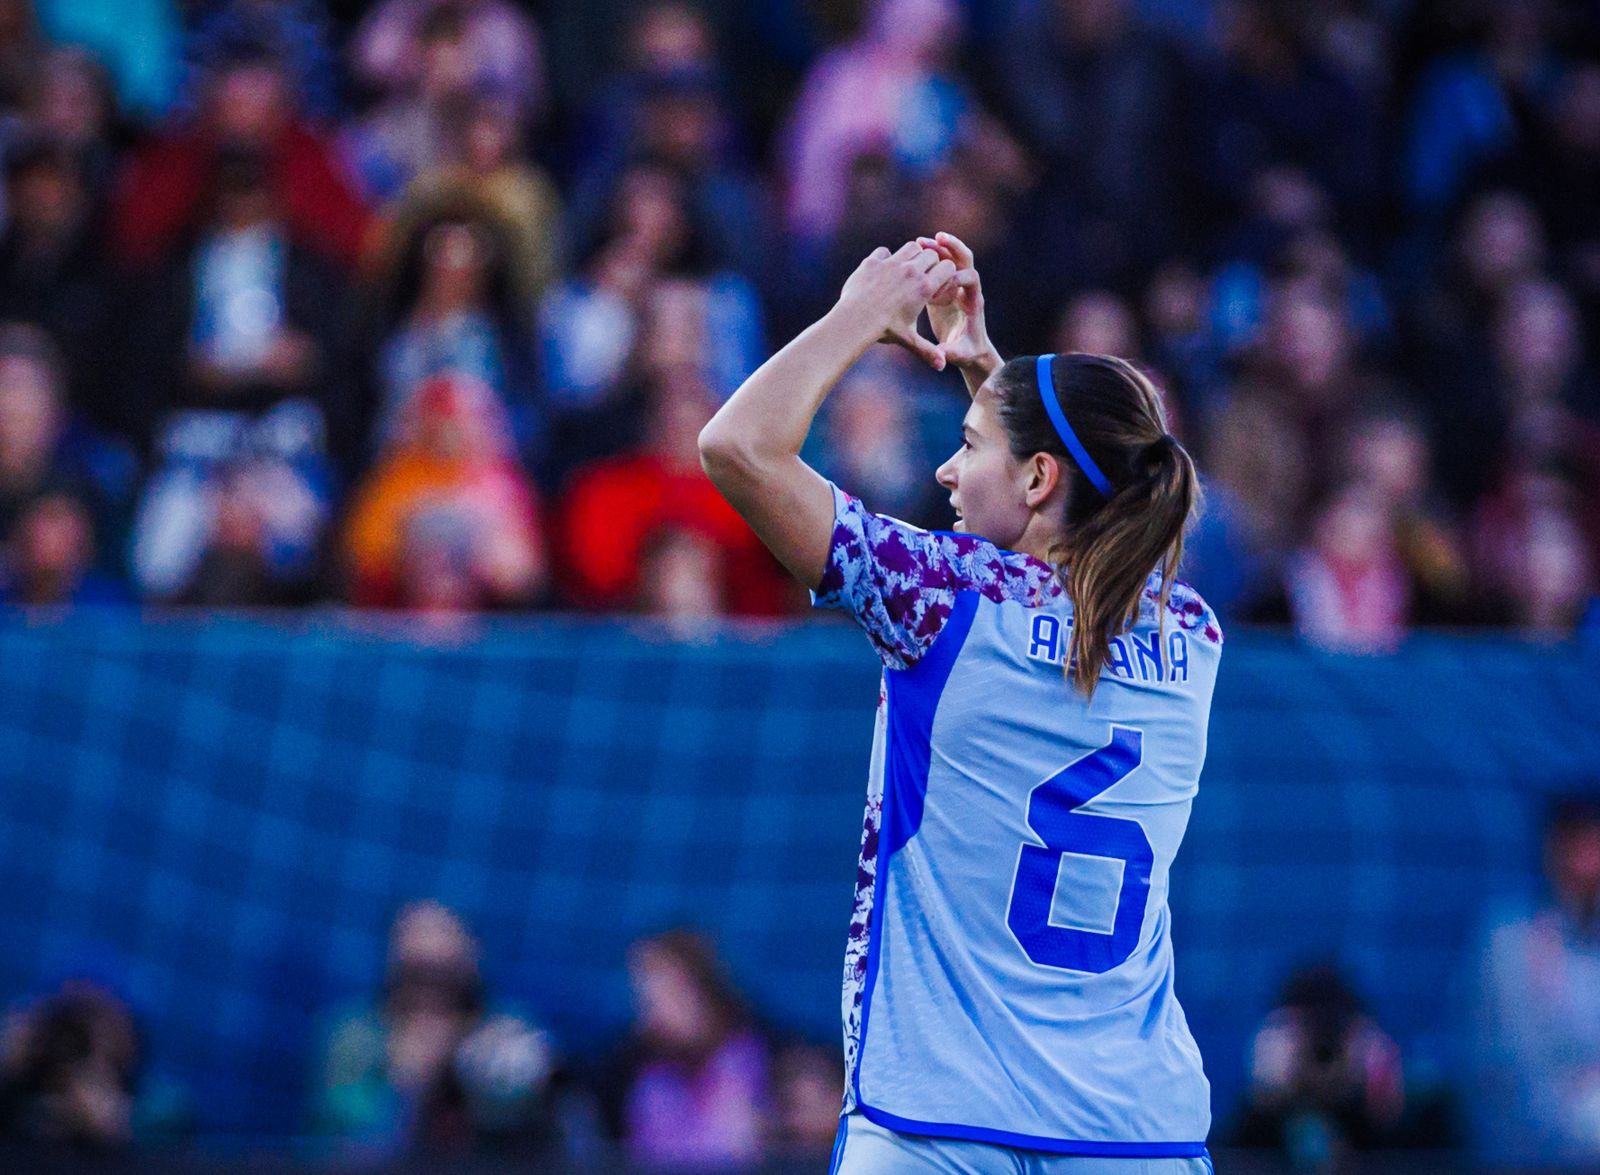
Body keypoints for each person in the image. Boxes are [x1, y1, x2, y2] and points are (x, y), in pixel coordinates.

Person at [699, 232, 1220, 1170]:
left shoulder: (940, 597)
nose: (944, 469)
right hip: (1138, 1128)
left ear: (1037, 476)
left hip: (939, 1121)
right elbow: (1069, 542)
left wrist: (860, 314)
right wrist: (988, 370)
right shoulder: (1191, 633)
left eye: (968, 445)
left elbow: (736, 445)